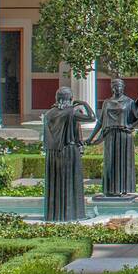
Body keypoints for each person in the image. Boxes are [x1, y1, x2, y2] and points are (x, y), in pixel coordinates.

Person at [86, 78, 138, 197]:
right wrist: (91, 137)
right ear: (112, 88)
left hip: (124, 135)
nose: (117, 88)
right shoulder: (107, 102)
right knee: (110, 162)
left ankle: (124, 189)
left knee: (124, 162)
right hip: (110, 135)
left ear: (123, 87)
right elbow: (100, 121)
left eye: (119, 86)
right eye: (114, 86)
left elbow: (137, 115)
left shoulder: (129, 102)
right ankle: (110, 189)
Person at [41, 87, 95, 221]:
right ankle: (74, 214)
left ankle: (54, 215)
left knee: (55, 184)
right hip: (69, 151)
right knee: (71, 182)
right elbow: (92, 118)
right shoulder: (71, 112)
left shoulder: (48, 114)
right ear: (70, 99)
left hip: (52, 153)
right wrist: (84, 103)